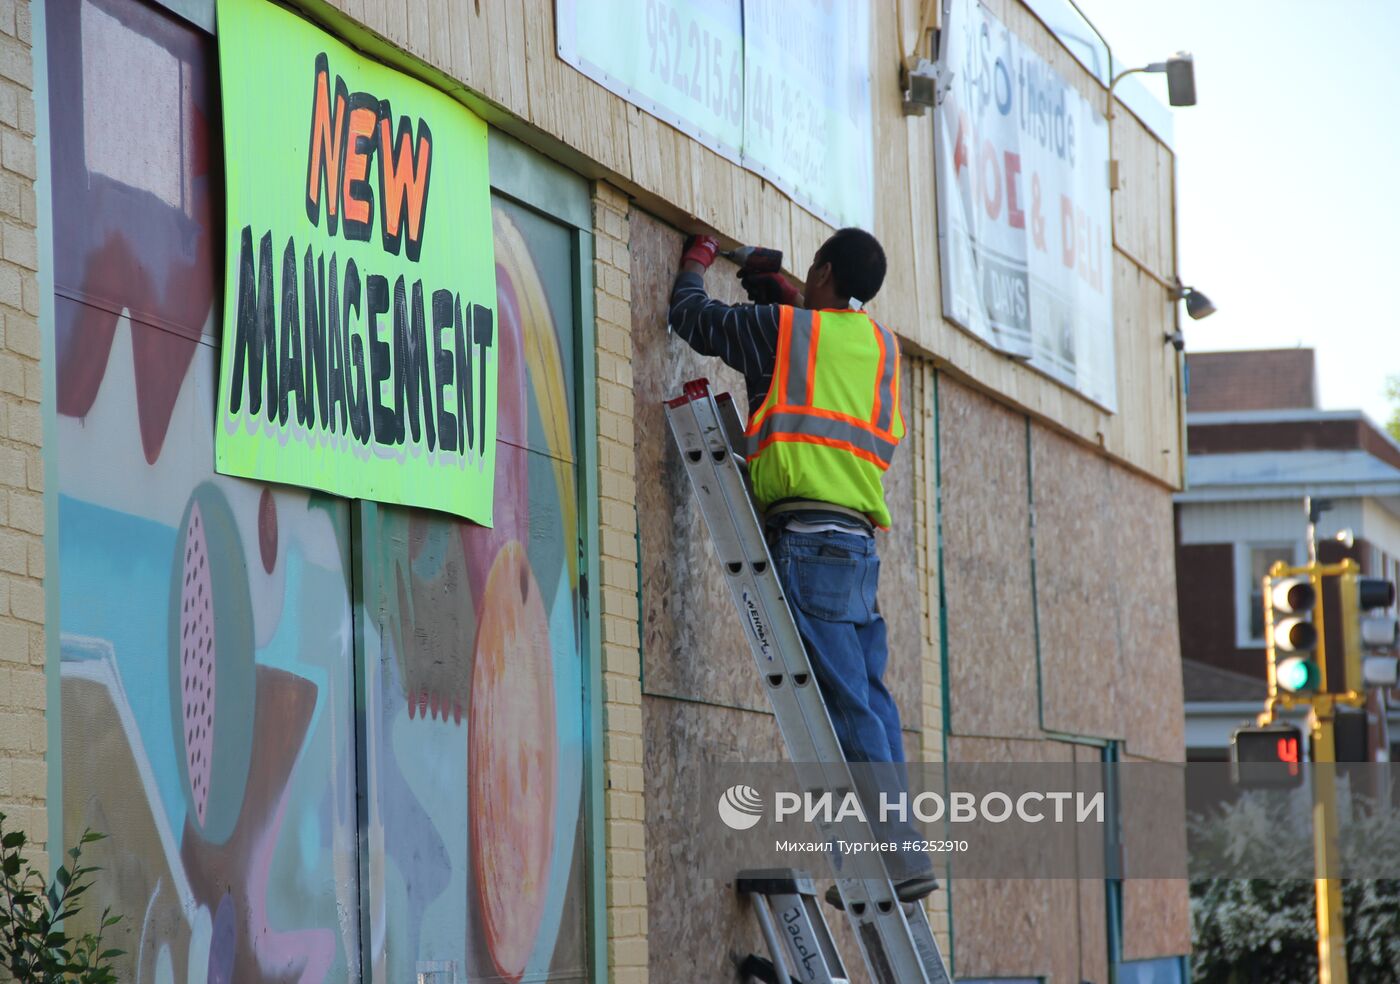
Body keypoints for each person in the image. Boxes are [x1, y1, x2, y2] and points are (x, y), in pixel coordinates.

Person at [669, 229, 937, 904]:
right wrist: (782, 296)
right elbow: (814, 344)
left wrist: (697, 259)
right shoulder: (878, 346)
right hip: (856, 545)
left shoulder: (786, 331)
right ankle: (899, 854)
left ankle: (895, 863)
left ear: (820, 271)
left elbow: (692, 319)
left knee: (845, 709)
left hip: (808, 539)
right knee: (870, 704)